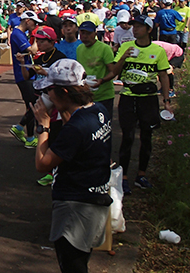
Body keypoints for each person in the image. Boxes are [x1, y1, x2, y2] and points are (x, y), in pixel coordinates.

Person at [31, 59, 112, 273]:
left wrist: (43, 126)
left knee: (72, 265)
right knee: (80, 260)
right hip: (96, 196)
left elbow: (42, 164)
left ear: (64, 92)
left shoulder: (76, 128)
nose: (46, 96)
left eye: (49, 91)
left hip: (75, 205)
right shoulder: (98, 110)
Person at [112, 15, 172, 195]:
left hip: (149, 98)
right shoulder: (126, 46)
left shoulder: (158, 50)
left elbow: (163, 76)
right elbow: (115, 72)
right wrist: (123, 57)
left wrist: (166, 100)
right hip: (128, 96)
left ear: (148, 29)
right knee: (127, 137)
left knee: (146, 137)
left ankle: (141, 175)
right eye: (133, 26)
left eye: (139, 26)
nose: (134, 29)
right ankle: (123, 178)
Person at [9, 11, 41, 147]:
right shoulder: (17, 34)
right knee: (34, 104)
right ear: (27, 21)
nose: (36, 25)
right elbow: (32, 50)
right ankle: (21, 128)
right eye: (35, 22)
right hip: (23, 74)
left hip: (26, 72)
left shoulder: (20, 34)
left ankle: (29, 136)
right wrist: (39, 39)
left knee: (31, 104)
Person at [76, 22, 116, 119]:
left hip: (104, 96)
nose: (85, 36)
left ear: (95, 34)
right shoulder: (79, 48)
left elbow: (113, 72)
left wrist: (101, 80)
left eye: (88, 33)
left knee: (104, 126)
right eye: (82, 33)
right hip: (86, 96)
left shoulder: (104, 48)